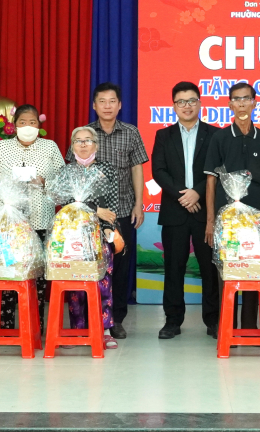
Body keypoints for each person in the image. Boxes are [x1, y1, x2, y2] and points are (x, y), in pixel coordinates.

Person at [66, 83, 148, 340]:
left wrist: (139, 203)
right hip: (88, 216)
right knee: (88, 266)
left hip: (122, 209)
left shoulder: (131, 132)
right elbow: (71, 171)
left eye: (112, 101)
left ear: (120, 105)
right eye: (102, 101)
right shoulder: (85, 134)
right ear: (94, 105)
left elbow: (137, 168)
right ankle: (87, 319)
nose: (107, 106)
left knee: (119, 268)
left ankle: (116, 321)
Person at [0, 104, 64, 329]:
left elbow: (63, 179)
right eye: (22, 122)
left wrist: (45, 182)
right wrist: (5, 190)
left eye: (32, 122)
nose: (28, 126)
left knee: (37, 273)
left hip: (40, 219)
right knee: (8, 270)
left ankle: (35, 325)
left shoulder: (49, 147)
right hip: (9, 221)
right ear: (14, 125)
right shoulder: (2, 147)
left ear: (39, 125)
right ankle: (6, 325)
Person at [203, 82, 260, 335]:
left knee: (255, 270)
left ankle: (249, 327)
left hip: (256, 220)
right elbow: (210, 181)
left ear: (255, 103)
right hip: (227, 220)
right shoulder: (220, 138)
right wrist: (210, 220)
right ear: (230, 104)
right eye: (236, 99)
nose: (242, 103)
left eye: (246, 99)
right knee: (227, 271)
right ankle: (228, 327)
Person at [151, 82, 219, 339]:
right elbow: (159, 170)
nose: (187, 106)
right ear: (174, 106)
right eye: (181, 102)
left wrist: (197, 192)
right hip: (175, 210)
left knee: (209, 268)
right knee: (173, 268)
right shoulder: (163, 135)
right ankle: (172, 320)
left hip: (205, 211)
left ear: (199, 103)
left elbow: (218, 169)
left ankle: (213, 320)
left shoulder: (215, 134)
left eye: (191, 101)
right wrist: (183, 195)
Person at [64, 126, 124, 349]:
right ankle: (78, 330)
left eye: (88, 140)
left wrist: (108, 226)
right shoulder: (66, 171)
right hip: (73, 234)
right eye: (78, 141)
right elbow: (66, 202)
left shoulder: (107, 169)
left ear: (96, 145)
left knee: (103, 283)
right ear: (72, 146)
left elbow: (112, 205)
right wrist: (95, 210)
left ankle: (105, 330)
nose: (83, 144)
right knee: (75, 284)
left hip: (101, 233)